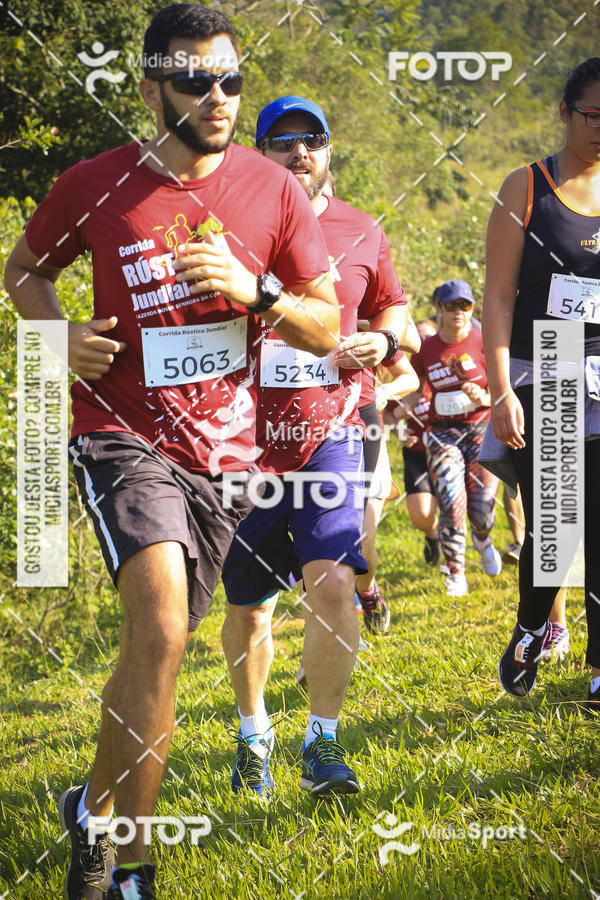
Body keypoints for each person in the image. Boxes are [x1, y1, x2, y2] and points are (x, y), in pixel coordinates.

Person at [5, 7, 341, 898]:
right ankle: (129, 869)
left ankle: (94, 811)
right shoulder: (94, 185)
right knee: (156, 624)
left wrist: (258, 293)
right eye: (196, 80)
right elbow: (23, 270)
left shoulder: (272, 192)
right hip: (117, 432)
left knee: (167, 646)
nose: (219, 97)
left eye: (232, 80)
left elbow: (327, 325)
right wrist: (56, 331)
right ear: (152, 89)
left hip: (220, 460)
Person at [220, 94, 416, 798]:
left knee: (334, 581)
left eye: (314, 138)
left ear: (330, 150)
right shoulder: (226, 228)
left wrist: (386, 338)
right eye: (283, 141)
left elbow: (396, 306)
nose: (300, 150)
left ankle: (322, 743)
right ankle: (253, 734)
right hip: (243, 446)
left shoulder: (363, 230)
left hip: (333, 432)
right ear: (259, 152)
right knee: (249, 610)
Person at [482, 57, 600, 708]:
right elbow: (497, 298)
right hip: (545, 361)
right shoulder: (526, 186)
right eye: (593, 115)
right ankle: (533, 625)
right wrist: (501, 388)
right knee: (558, 526)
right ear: (565, 111)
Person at [411, 280, 502, 597]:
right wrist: (399, 411)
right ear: (438, 309)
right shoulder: (427, 349)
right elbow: (413, 386)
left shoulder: (485, 341)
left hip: (481, 429)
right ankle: (456, 572)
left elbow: (504, 387)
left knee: (483, 509)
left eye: (465, 305)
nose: (459, 312)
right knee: (450, 500)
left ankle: (483, 537)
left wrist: (485, 396)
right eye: (451, 306)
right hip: (441, 433)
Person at [355, 353, 420, 630]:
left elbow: (410, 373)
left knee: (362, 540)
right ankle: (335, 634)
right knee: (320, 543)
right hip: (311, 436)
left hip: (367, 435)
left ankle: (367, 590)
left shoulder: (364, 316)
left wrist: (384, 390)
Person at [394, 319, 440, 566]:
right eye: (419, 339)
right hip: (416, 452)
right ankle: (433, 535)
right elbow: (388, 411)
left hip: (449, 447)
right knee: (422, 515)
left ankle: (456, 566)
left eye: (429, 338)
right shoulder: (406, 373)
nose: (424, 344)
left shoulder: (448, 368)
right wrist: (398, 431)